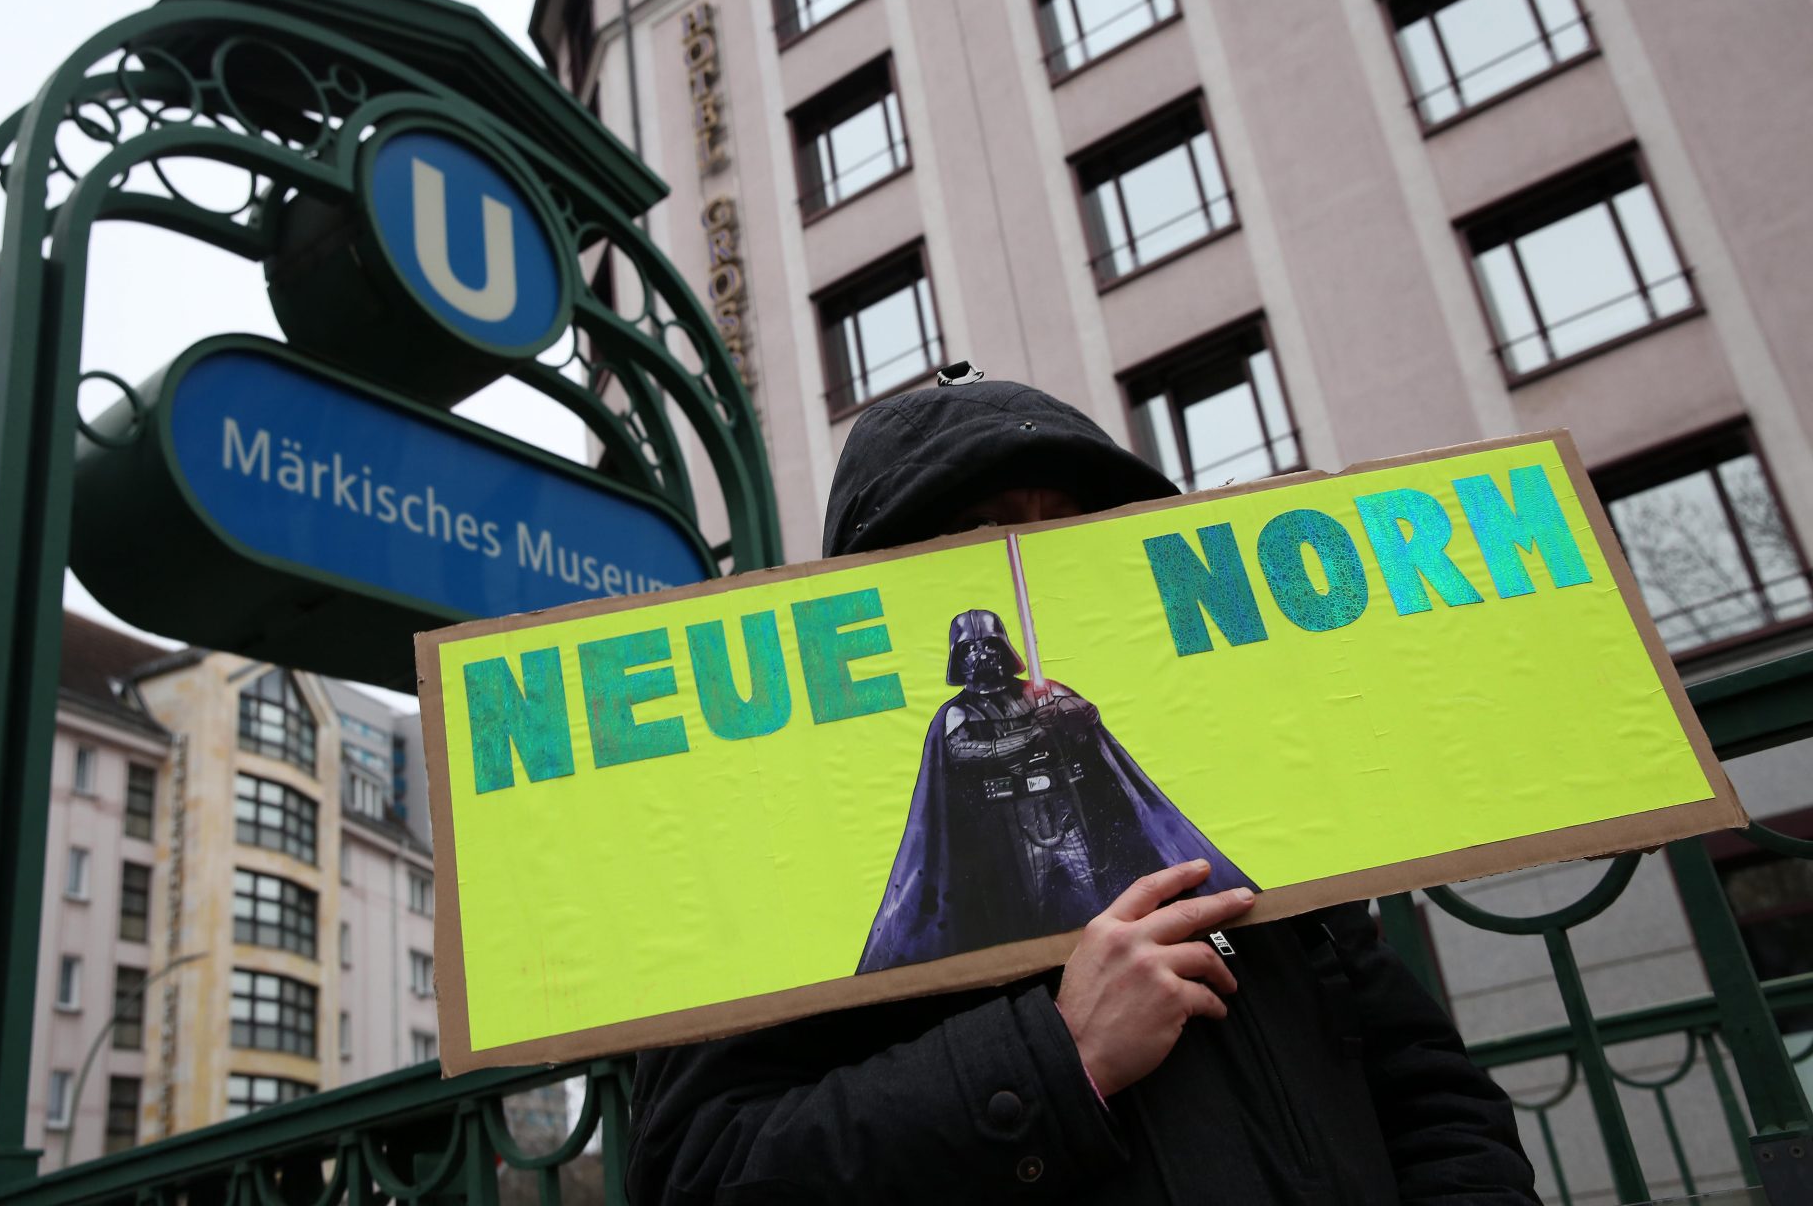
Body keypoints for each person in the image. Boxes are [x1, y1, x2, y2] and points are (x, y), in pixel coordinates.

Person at [628, 375, 1539, 1204]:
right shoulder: (781, 886)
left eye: (1066, 524)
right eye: (979, 530)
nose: (1031, 558)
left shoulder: (1250, 835)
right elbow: (706, 1175)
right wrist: (1056, 1059)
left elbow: (1428, 1096)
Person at [858, 607, 1255, 975]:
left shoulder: (1040, 691)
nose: (982, 656)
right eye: (971, 648)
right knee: (1025, 916)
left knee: (1095, 900)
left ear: (1004, 648)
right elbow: (965, 751)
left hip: (1066, 813)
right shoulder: (958, 713)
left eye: (989, 645)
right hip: (1007, 830)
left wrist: (1063, 714)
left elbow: (1087, 714)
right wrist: (1031, 732)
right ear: (958, 658)